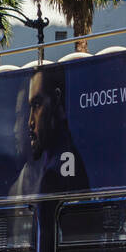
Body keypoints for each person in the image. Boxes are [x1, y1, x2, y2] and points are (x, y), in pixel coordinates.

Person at [9, 66, 90, 198]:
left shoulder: (55, 175)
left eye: (37, 105)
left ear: (56, 100)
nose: (30, 122)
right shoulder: (61, 160)